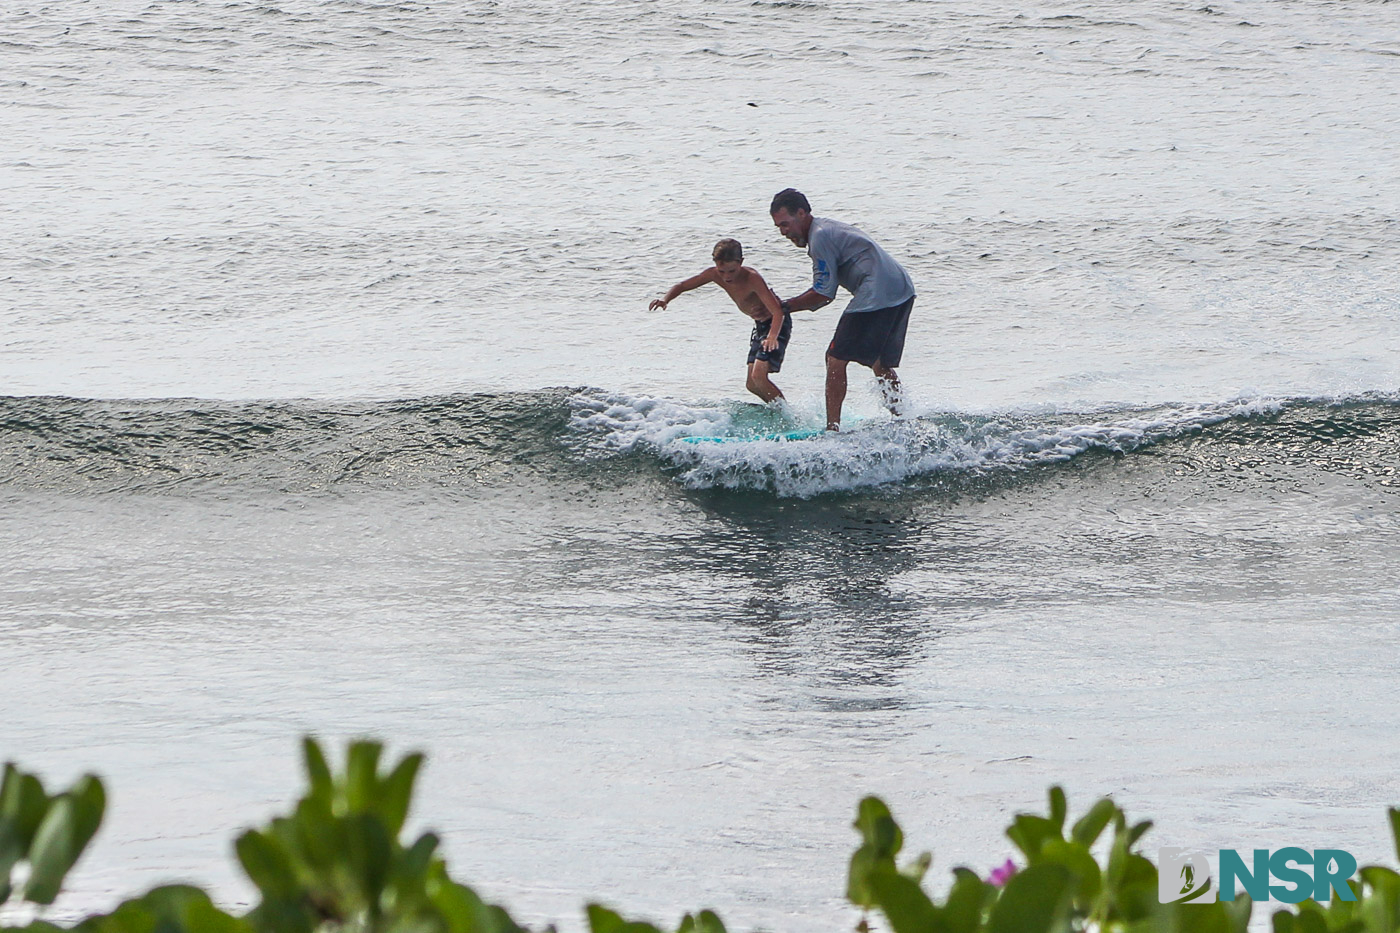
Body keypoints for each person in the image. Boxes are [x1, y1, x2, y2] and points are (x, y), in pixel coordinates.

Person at [769, 188, 915, 431]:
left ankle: (832, 430)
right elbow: (824, 293)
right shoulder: (825, 230)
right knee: (879, 362)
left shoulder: (820, 238)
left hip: (877, 292)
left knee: (835, 358)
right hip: (901, 289)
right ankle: (903, 421)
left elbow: (824, 294)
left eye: (785, 224)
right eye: (779, 227)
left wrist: (784, 307)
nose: (784, 232)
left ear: (802, 213)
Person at [649, 238, 792, 403]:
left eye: (732, 271)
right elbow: (682, 285)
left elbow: (778, 312)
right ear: (716, 264)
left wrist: (772, 336)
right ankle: (776, 409)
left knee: (758, 376)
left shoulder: (752, 278)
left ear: (741, 262)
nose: (727, 277)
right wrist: (665, 300)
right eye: (722, 271)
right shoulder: (714, 274)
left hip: (776, 324)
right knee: (751, 384)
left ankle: (788, 415)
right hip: (760, 326)